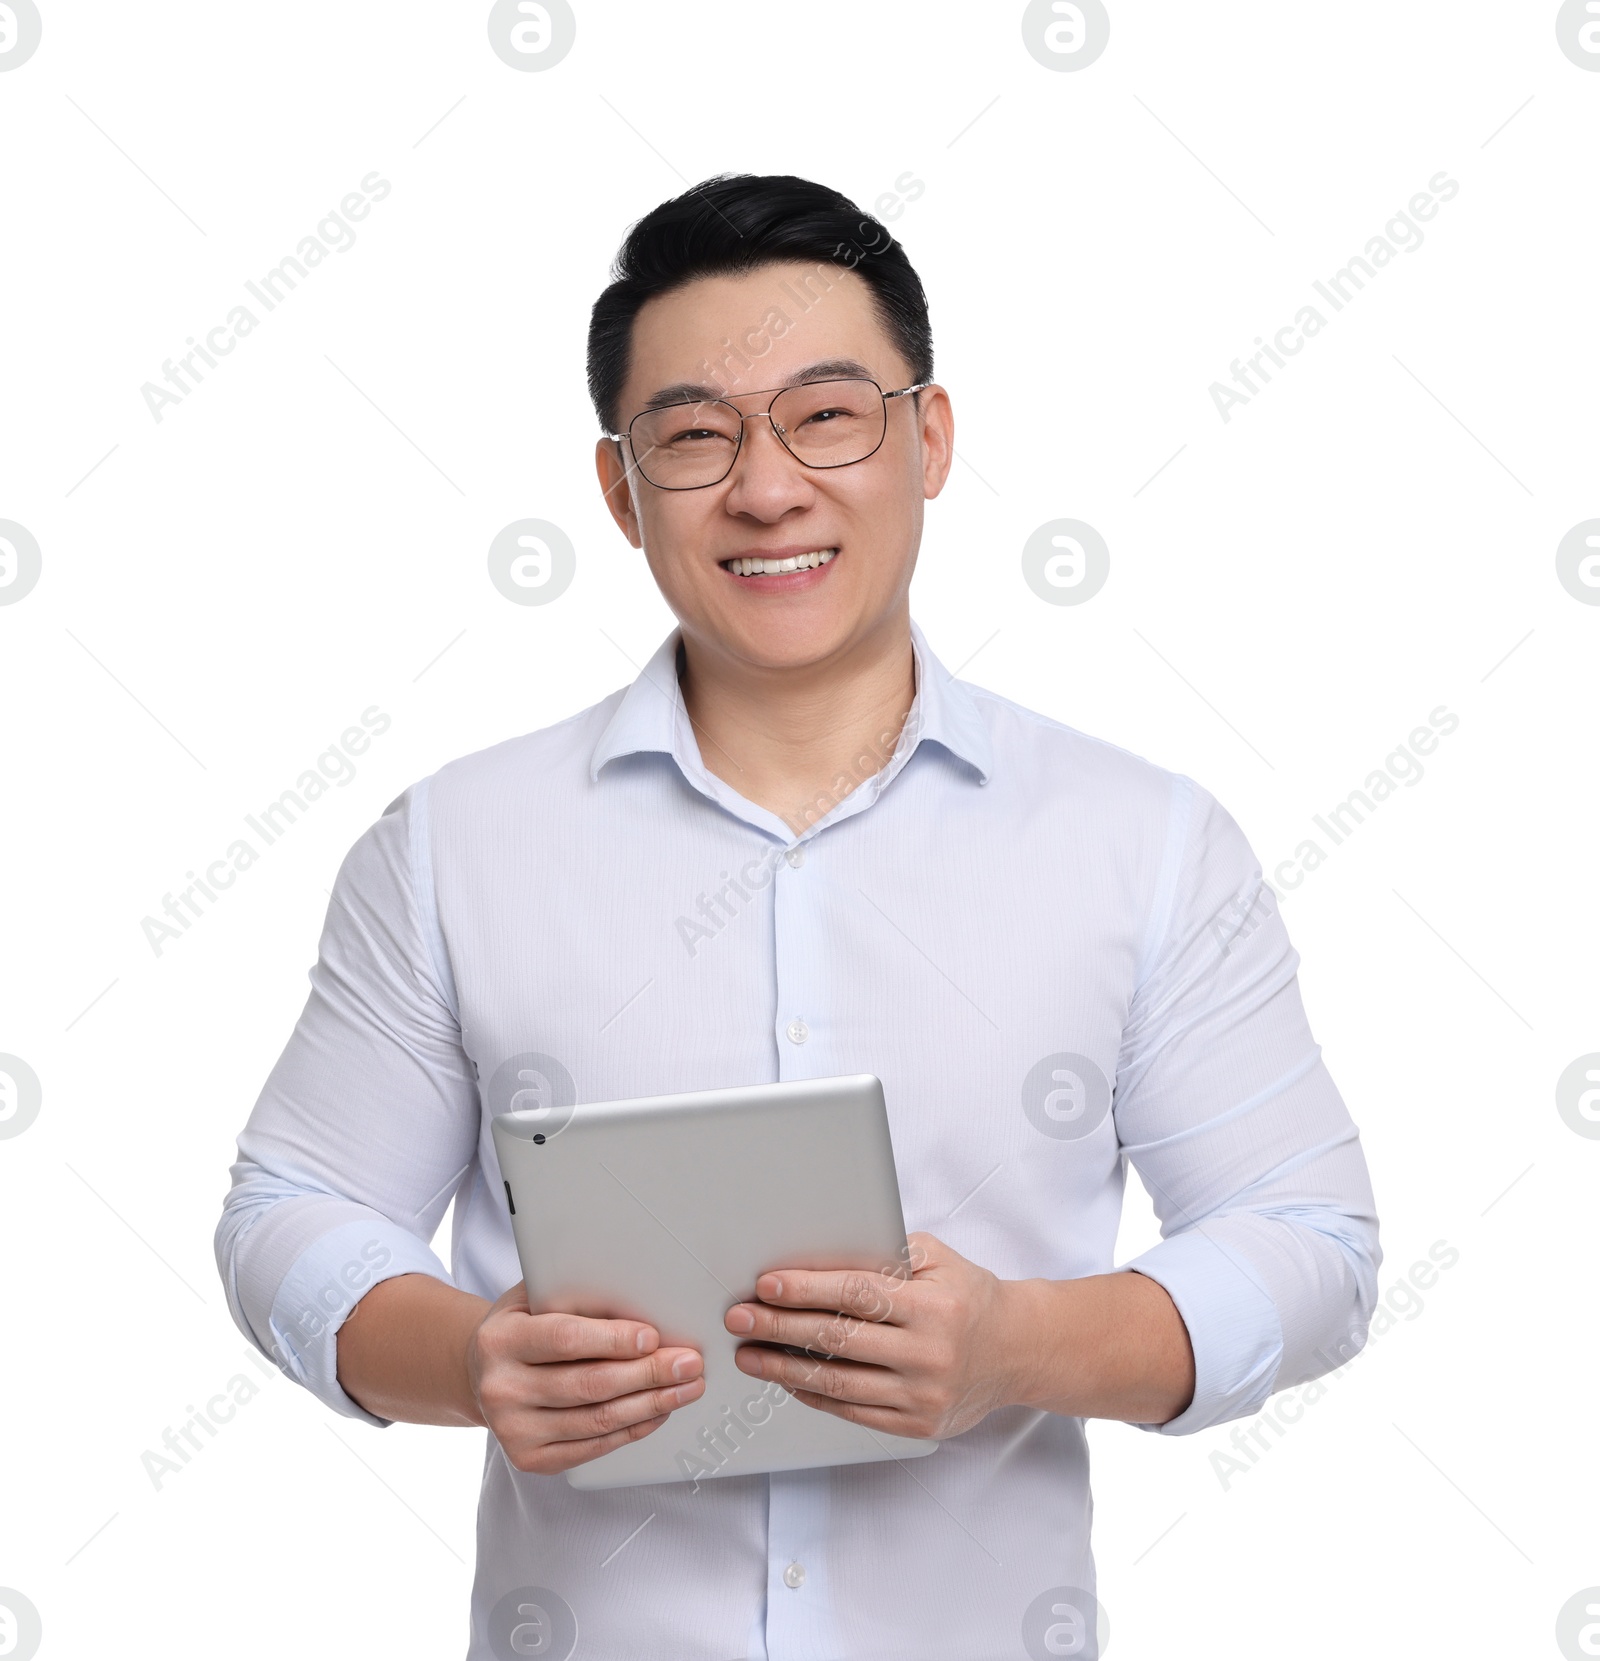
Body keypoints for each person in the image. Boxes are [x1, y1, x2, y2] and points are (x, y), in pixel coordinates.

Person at [216, 173, 1380, 1660]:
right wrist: (469, 1355)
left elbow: (1310, 1241)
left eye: (827, 416)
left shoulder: (1141, 842)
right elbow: (289, 1210)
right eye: (695, 436)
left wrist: (1014, 1344)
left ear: (929, 438)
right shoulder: (453, 845)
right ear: (620, 491)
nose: (767, 487)